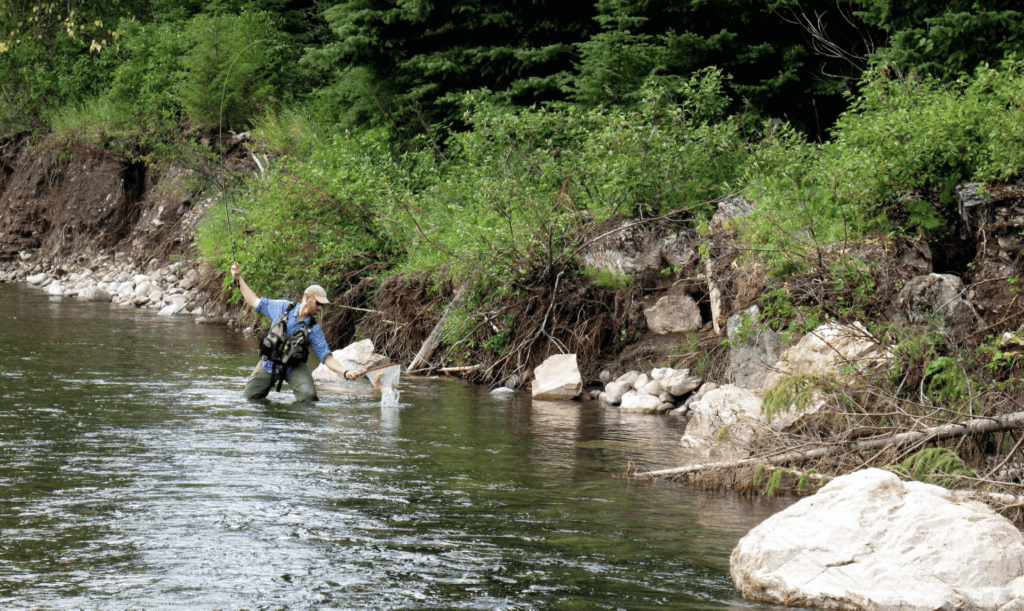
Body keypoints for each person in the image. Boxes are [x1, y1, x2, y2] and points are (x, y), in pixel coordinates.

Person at [231, 263, 351, 402]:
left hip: (294, 367)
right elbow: (254, 301)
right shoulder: (281, 307)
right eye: (319, 303)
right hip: (269, 364)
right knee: (249, 399)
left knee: (308, 396)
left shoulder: (314, 329)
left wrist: (345, 372)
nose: (320, 308)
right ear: (308, 298)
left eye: (322, 305)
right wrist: (238, 279)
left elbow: (326, 357)